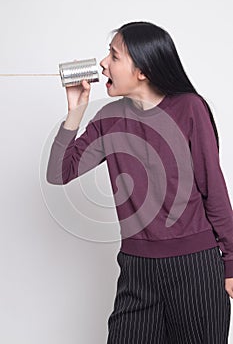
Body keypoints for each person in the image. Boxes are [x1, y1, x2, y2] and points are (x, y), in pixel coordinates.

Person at [46, 21, 233, 343]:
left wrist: (231, 262)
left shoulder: (190, 108)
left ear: (142, 70)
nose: (103, 63)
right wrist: (75, 112)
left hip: (196, 268)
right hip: (137, 269)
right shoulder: (109, 118)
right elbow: (59, 173)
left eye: (114, 56)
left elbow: (212, 188)